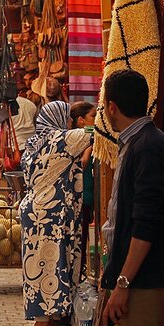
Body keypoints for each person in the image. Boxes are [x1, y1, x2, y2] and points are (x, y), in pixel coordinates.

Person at [99, 69, 164, 326]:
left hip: (143, 282)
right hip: (140, 279)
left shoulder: (147, 147)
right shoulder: (140, 143)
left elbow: (146, 223)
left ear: (111, 107)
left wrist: (123, 282)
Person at [19, 101, 92, 326]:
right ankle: (42, 321)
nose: (70, 123)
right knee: (50, 264)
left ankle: (52, 315)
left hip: (36, 209)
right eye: (68, 119)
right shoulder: (62, 139)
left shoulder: (33, 142)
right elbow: (96, 131)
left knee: (40, 263)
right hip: (49, 212)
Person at [70, 101, 97, 280]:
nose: (96, 120)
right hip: (80, 197)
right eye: (92, 116)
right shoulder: (78, 138)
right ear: (81, 120)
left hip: (86, 196)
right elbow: (81, 164)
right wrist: (88, 149)